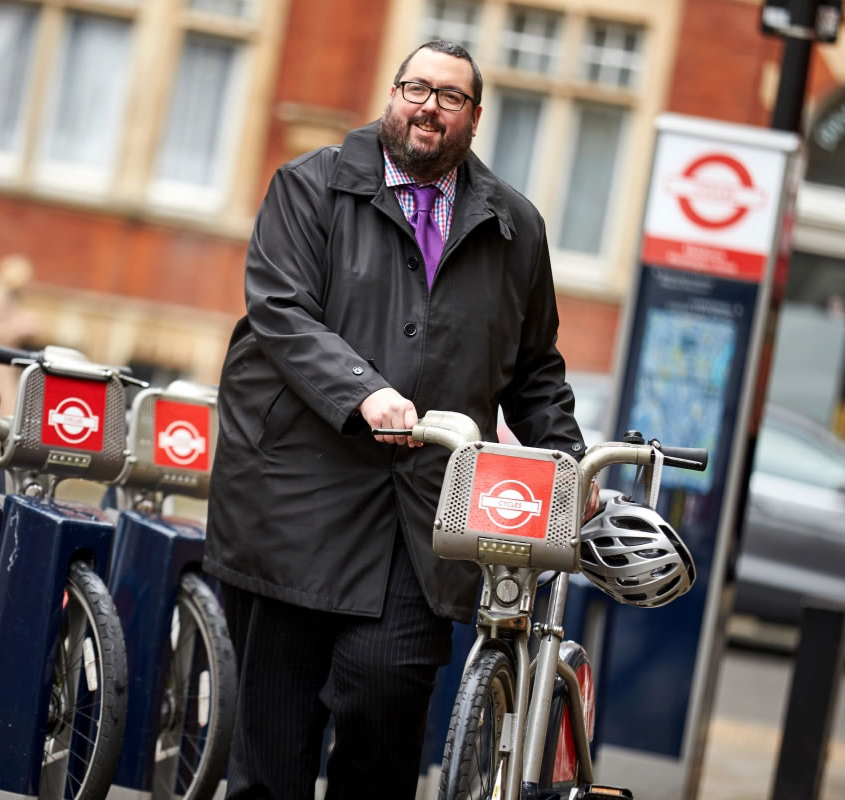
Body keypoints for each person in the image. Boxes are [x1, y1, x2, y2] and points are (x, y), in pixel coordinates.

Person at [203, 40, 597, 800]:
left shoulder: (515, 226)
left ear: (475, 118)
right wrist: (361, 391)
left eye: (451, 97)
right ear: (392, 94)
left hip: (422, 518)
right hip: (295, 503)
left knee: (388, 701)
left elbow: (535, 369)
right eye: (417, 88)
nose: (429, 106)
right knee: (275, 752)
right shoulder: (309, 186)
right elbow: (279, 310)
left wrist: (567, 465)